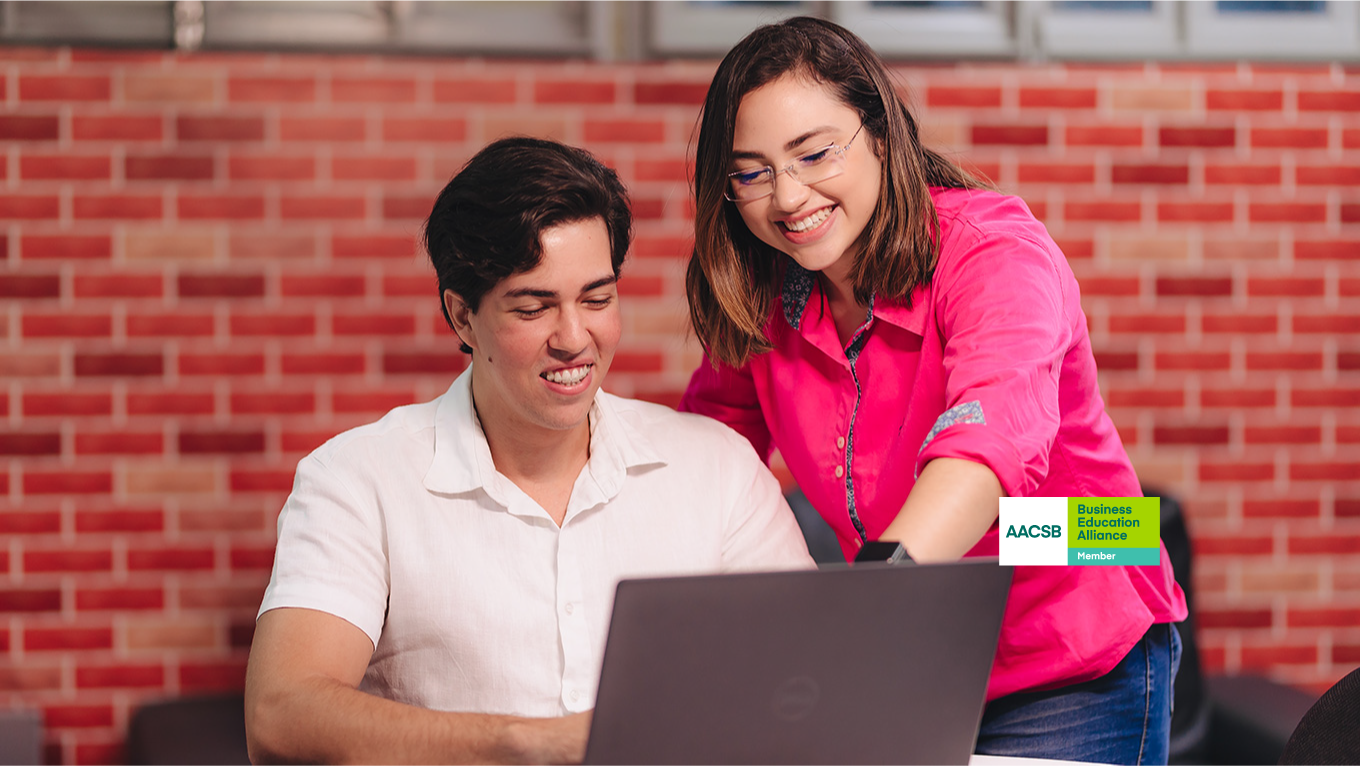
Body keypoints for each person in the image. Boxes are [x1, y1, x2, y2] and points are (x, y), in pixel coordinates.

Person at [678, 17, 1188, 766]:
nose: (787, 196)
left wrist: (872, 600)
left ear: (881, 135)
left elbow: (991, 439)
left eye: (815, 153)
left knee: (1049, 529)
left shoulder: (993, 253)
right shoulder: (767, 295)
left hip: (1076, 622)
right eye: (751, 172)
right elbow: (710, 449)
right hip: (922, 649)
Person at [244, 137, 814, 766]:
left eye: (597, 299)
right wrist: (530, 743)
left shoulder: (718, 469)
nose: (574, 338)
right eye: (534, 307)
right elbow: (282, 714)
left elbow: (810, 688)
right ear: (463, 317)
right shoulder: (357, 479)